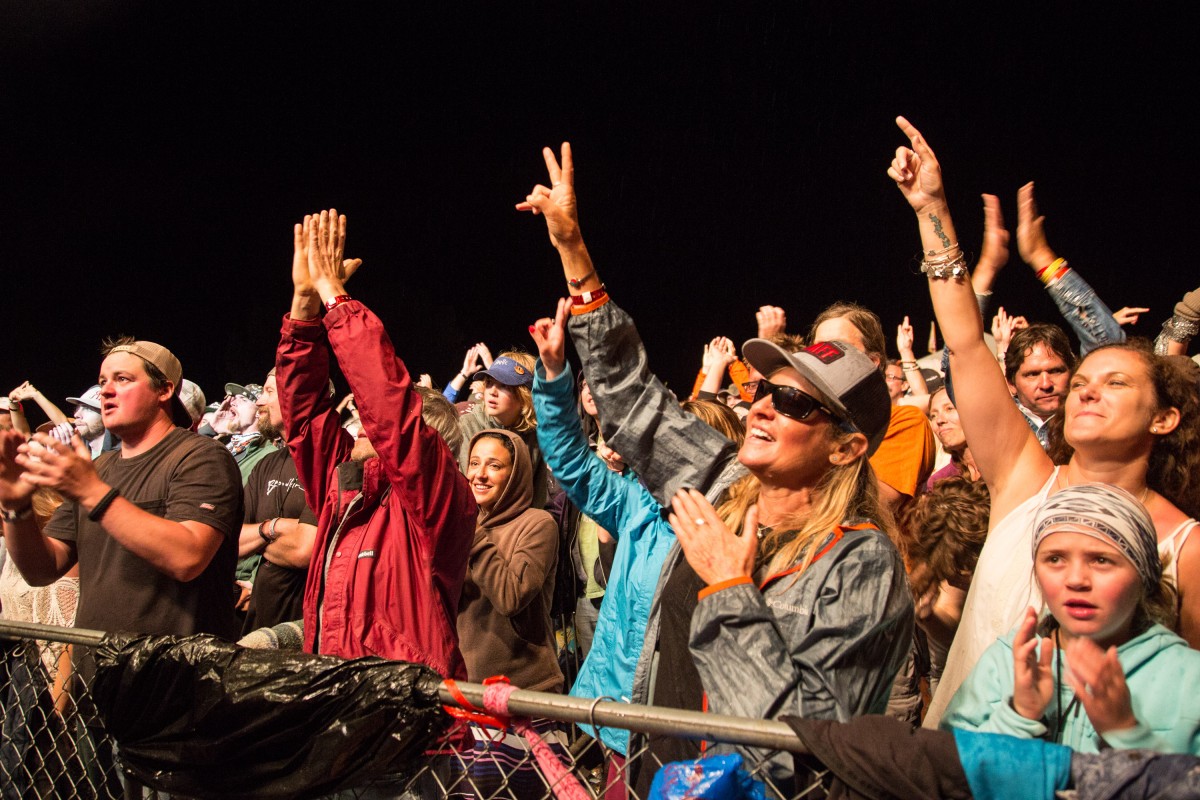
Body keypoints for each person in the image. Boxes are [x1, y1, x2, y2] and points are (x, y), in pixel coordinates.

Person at [518, 142, 913, 789]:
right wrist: (575, 258)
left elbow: (803, 748)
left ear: (847, 447)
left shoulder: (862, 565)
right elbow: (635, 403)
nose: (760, 407)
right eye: (761, 390)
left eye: (792, 402)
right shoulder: (728, 483)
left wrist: (731, 593)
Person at [886, 117, 1200, 729]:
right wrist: (931, 209)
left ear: (1164, 417)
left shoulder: (1186, 547)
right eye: (1082, 382)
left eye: (1115, 383)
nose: (1084, 391)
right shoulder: (1026, 479)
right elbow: (966, 345)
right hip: (958, 769)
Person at [275, 209, 475, 676]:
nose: (362, 423)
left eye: (374, 422)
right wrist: (304, 309)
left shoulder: (440, 503)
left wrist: (336, 300)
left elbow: (388, 411)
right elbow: (303, 419)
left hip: (405, 712)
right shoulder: (346, 487)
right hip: (332, 698)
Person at [0, 337, 243, 644]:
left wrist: (92, 493)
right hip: (96, 675)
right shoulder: (99, 467)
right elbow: (41, 570)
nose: (106, 390)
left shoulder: (201, 456)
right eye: (102, 381)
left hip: (172, 676)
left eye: (123, 379)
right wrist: (16, 509)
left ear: (165, 390)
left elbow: (188, 558)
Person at [943, 484, 1200, 754]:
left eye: (1101, 560)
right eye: (1054, 559)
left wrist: (1127, 733)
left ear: (1143, 575)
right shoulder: (1006, 662)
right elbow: (947, 776)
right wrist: (1018, 715)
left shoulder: (1188, 679)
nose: (1076, 580)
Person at [237, 368, 319, 633]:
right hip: (257, 620)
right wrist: (275, 527)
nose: (260, 401)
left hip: (303, 626)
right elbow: (233, 541)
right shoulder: (267, 463)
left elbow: (303, 551)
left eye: (269, 392)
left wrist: (257, 539)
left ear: (297, 398)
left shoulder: (327, 462)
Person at [458, 351, 550, 509]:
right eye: (489, 383)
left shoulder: (536, 435)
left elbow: (538, 495)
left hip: (519, 525)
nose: (492, 391)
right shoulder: (469, 425)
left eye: (503, 386)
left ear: (524, 394)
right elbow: (469, 488)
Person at [924, 387, 980, 489]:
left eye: (949, 409)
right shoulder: (939, 483)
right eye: (933, 415)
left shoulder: (1007, 461)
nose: (939, 420)